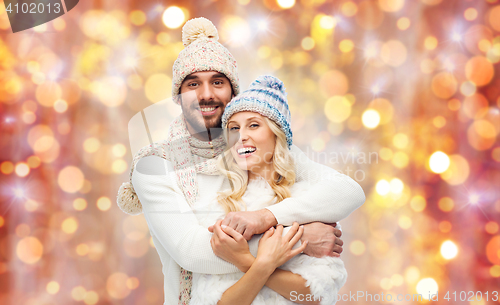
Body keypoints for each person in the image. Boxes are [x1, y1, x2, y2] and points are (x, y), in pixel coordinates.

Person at [117, 17, 365, 304]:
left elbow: (348, 191)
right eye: (193, 83)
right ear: (178, 95)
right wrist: (301, 239)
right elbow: (193, 252)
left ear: (233, 91)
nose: (206, 94)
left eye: (218, 82)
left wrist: (265, 219)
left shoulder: (256, 147)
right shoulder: (154, 165)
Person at [188, 75, 348, 305]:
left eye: (254, 125)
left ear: (277, 134)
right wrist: (266, 260)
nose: (242, 136)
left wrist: (245, 260)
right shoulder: (217, 202)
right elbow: (214, 301)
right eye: (233, 128)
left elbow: (316, 296)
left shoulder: (310, 201)